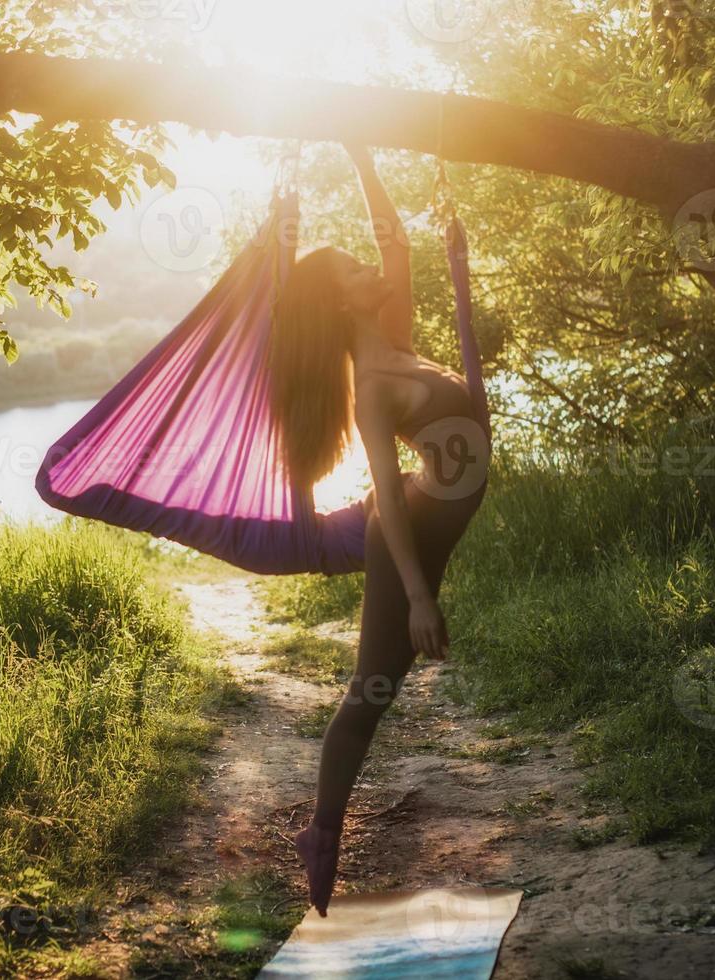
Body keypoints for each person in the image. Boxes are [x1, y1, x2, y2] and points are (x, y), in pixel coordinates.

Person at [267, 143, 492, 917]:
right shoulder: (372, 390)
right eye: (354, 272)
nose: (373, 268)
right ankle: (320, 836)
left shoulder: (396, 336)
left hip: (427, 519)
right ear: (340, 306)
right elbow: (388, 504)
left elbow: (395, 239)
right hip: (408, 539)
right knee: (369, 693)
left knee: (375, 691)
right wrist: (419, 596)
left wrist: (364, 157)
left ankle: (322, 831)